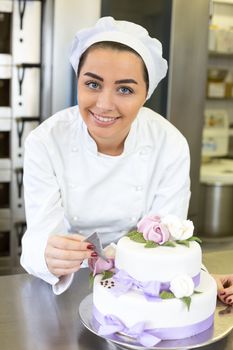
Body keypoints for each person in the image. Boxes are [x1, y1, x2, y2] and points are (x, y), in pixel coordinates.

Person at [20, 16, 199, 297]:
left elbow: (167, 239)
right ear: (78, 82)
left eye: (125, 89)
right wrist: (48, 254)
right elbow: (39, 236)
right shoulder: (46, 141)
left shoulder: (169, 144)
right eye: (92, 84)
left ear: (146, 94)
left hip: (142, 284)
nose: (104, 105)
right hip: (70, 278)